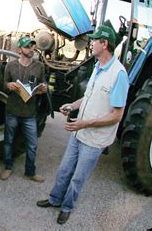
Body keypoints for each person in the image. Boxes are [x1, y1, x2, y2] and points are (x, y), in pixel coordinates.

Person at [36, 25, 129, 225]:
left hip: (94, 140)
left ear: (104, 45)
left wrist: (84, 123)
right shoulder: (97, 67)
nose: (91, 43)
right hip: (79, 133)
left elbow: (117, 115)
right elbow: (87, 98)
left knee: (78, 178)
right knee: (64, 170)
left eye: (95, 40)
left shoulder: (119, 75)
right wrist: (72, 105)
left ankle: (67, 207)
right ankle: (54, 200)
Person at [0, 37, 47, 182]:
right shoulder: (10, 66)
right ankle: (8, 167)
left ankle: (30, 172)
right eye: (27, 47)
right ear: (19, 50)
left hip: (29, 113)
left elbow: (42, 84)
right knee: (9, 141)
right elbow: (4, 85)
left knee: (32, 144)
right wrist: (8, 86)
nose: (31, 49)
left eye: (33, 47)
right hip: (12, 111)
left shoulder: (39, 67)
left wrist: (43, 88)